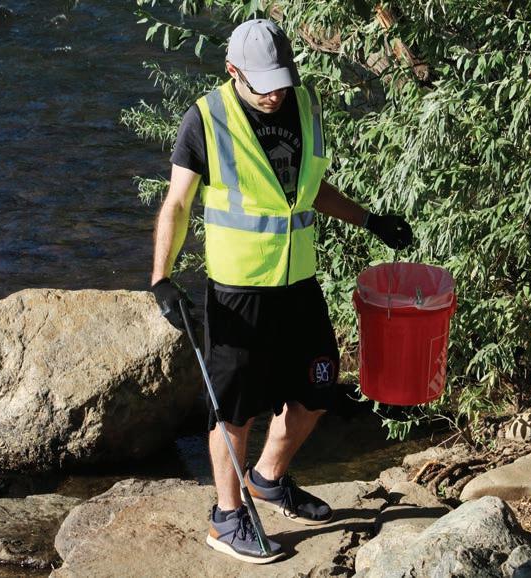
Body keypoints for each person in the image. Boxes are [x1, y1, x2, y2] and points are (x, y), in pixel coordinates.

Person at [149, 19, 412, 563]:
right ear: (233, 71)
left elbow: (307, 189)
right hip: (238, 291)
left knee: (318, 387)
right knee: (235, 410)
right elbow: (177, 203)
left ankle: (268, 478)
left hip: (298, 283)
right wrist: (161, 278)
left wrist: (370, 220)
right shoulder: (206, 118)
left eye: (281, 81)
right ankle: (226, 518)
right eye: (263, 84)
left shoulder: (305, 105)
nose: (274, 94)